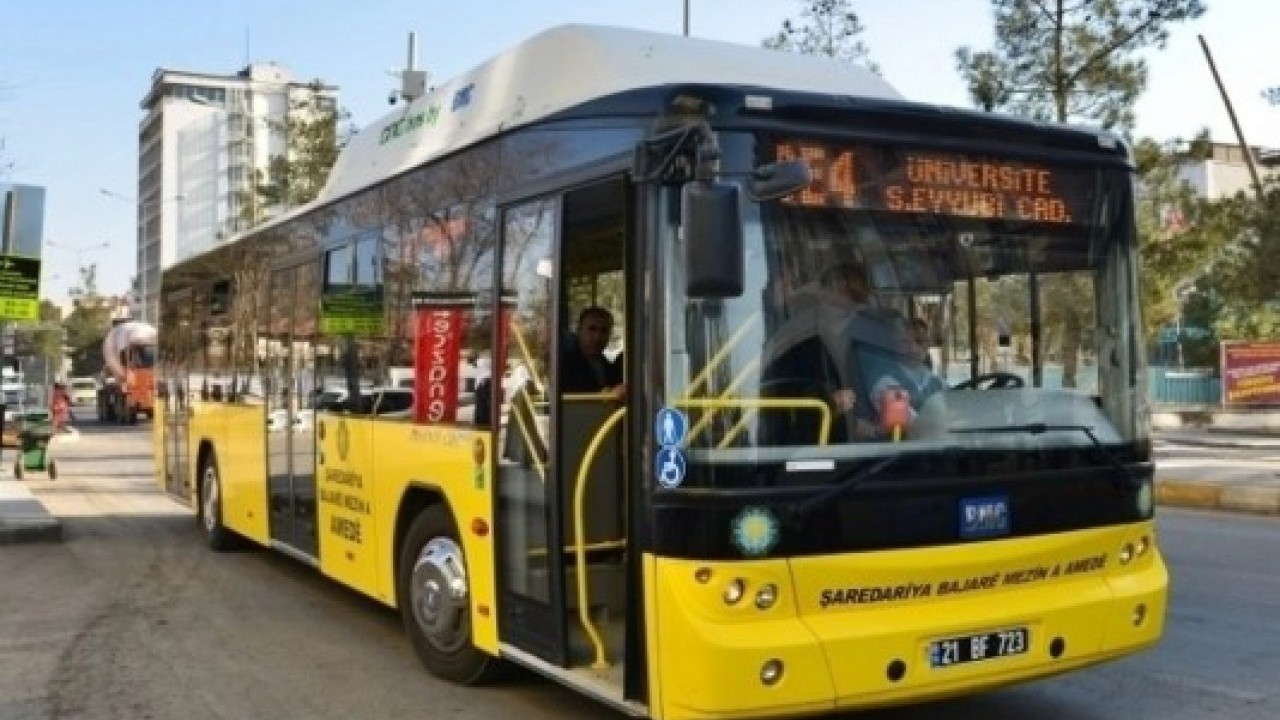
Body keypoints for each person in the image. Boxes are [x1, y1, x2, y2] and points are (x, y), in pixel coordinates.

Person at [560, 306, 625, 399]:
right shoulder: (564, 365)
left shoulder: (609, 368)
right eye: (592, 329)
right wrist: (609, 395)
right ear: (579, 331)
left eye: (604, 331)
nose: (597, 337)